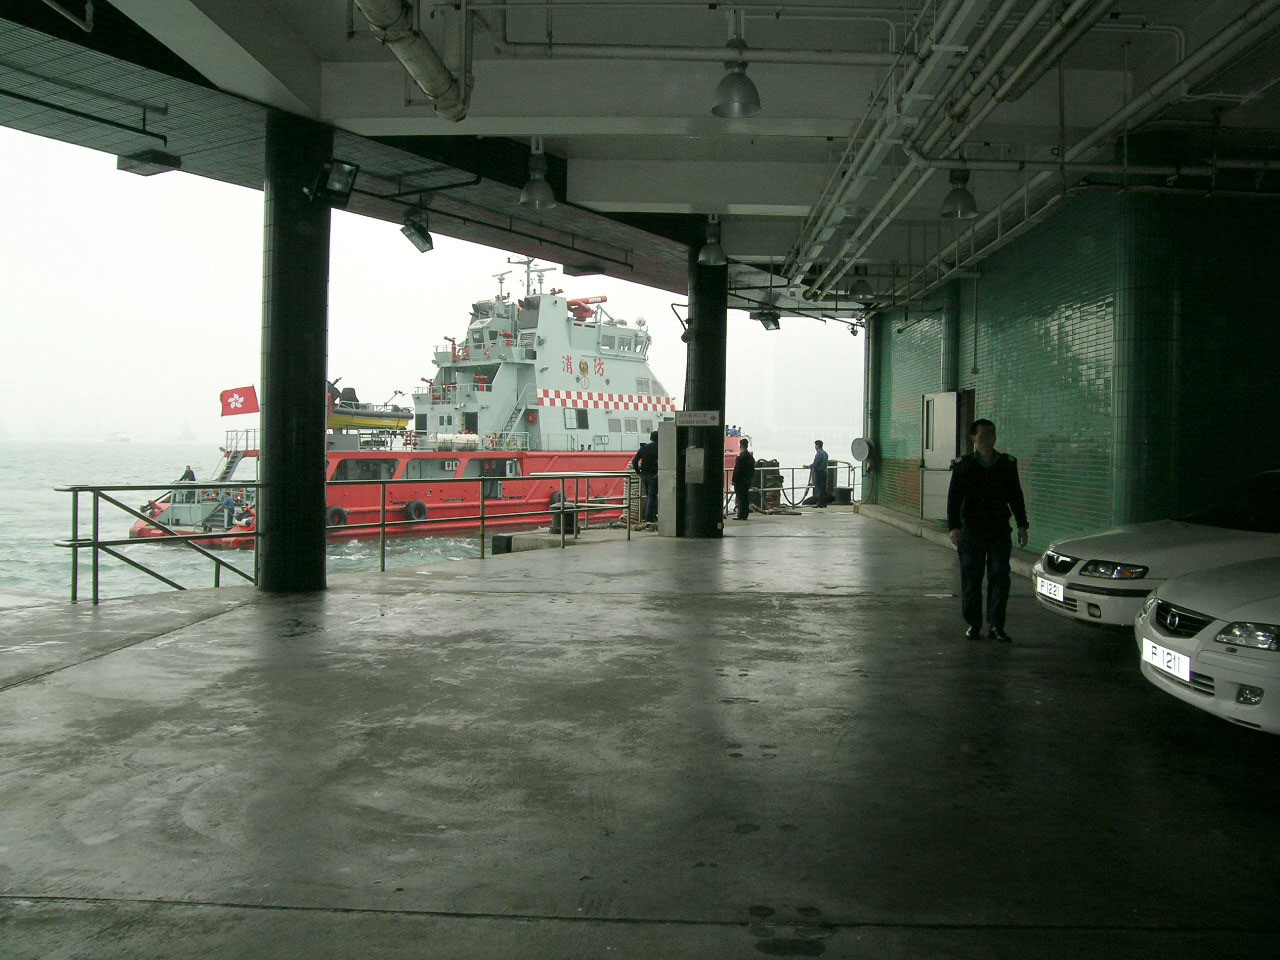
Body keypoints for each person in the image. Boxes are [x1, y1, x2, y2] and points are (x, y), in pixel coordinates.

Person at [947, 418, 1029, 643]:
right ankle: (974, 624)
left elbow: (1016, 496)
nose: (988, 438)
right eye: (982, 434)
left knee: (1000, 577)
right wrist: (954, 527)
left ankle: (996, 626)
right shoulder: (964, 466)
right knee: (972, 579)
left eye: (991, 434)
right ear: (973, 438)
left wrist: (1022, 525)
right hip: (971, 530)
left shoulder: (1006, 464)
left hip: (999, 530)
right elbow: (954, 498)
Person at [630, 430, 659, 523]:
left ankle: (652, 516)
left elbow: (634, 461)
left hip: (644, 475)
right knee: (652, 497)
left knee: (649, 496)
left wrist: (639, 472)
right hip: (654, 475)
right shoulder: (660, 448)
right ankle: (649, 518)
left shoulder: (644, 448)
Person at [731, 438, 756, 520]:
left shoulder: (740, 457)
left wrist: (733, 480)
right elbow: (752, 469)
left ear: (740, 446)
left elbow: (737, 470)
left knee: (740, 498)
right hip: (747, 480)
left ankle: (741, 514)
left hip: (739, 481)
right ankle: (745, 514)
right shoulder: (750, 457)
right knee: (745, 497)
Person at [804, 440, 829, 507]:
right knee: (824, 489)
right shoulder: (825, 453)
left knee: (819, 488)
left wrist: (808, 466)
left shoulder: (819, 454)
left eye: (815, 445)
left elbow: (815, 464)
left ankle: (820, 503)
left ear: (817, 446)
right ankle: (824, 503)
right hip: (824, 472)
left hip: (819, 473)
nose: (815, 447)